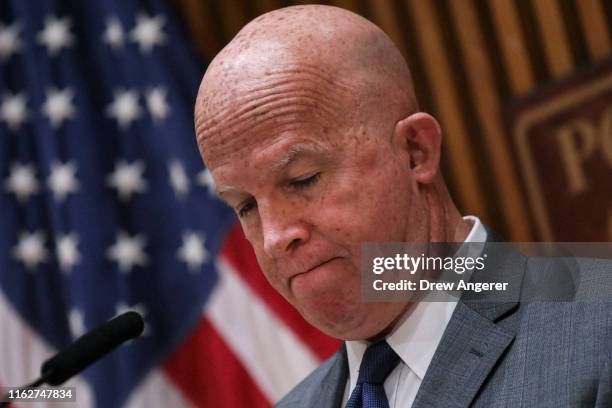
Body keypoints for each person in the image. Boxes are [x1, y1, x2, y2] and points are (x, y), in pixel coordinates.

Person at [194, 5, 611, 407]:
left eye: (303, 180)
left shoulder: (598, 334)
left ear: (416, 152)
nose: (274, 238)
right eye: (245, 206)